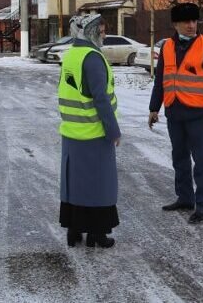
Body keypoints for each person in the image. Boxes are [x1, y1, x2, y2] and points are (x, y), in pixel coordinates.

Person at [149, 2, 203, 224]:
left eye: (194, 21)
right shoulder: (167, 48)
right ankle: (184, 198)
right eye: (186, 22)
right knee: (179, 158)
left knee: (201, 161)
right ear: (176, 24)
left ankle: (202, 206)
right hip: (174, 111)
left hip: (197, 114)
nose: (191, 25)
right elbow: (160, 80)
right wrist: (154, 108)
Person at [58, 14, 121, 248]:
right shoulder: (93, 58)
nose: (104, 36)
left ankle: (74, 231)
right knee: (99, 186)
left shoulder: (71, 54)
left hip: (72, 132)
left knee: (74, 185)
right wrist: (113, 131)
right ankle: (97, 234)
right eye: (102, 31)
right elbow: (101, 99)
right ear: (91, 32)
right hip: (94, 134)